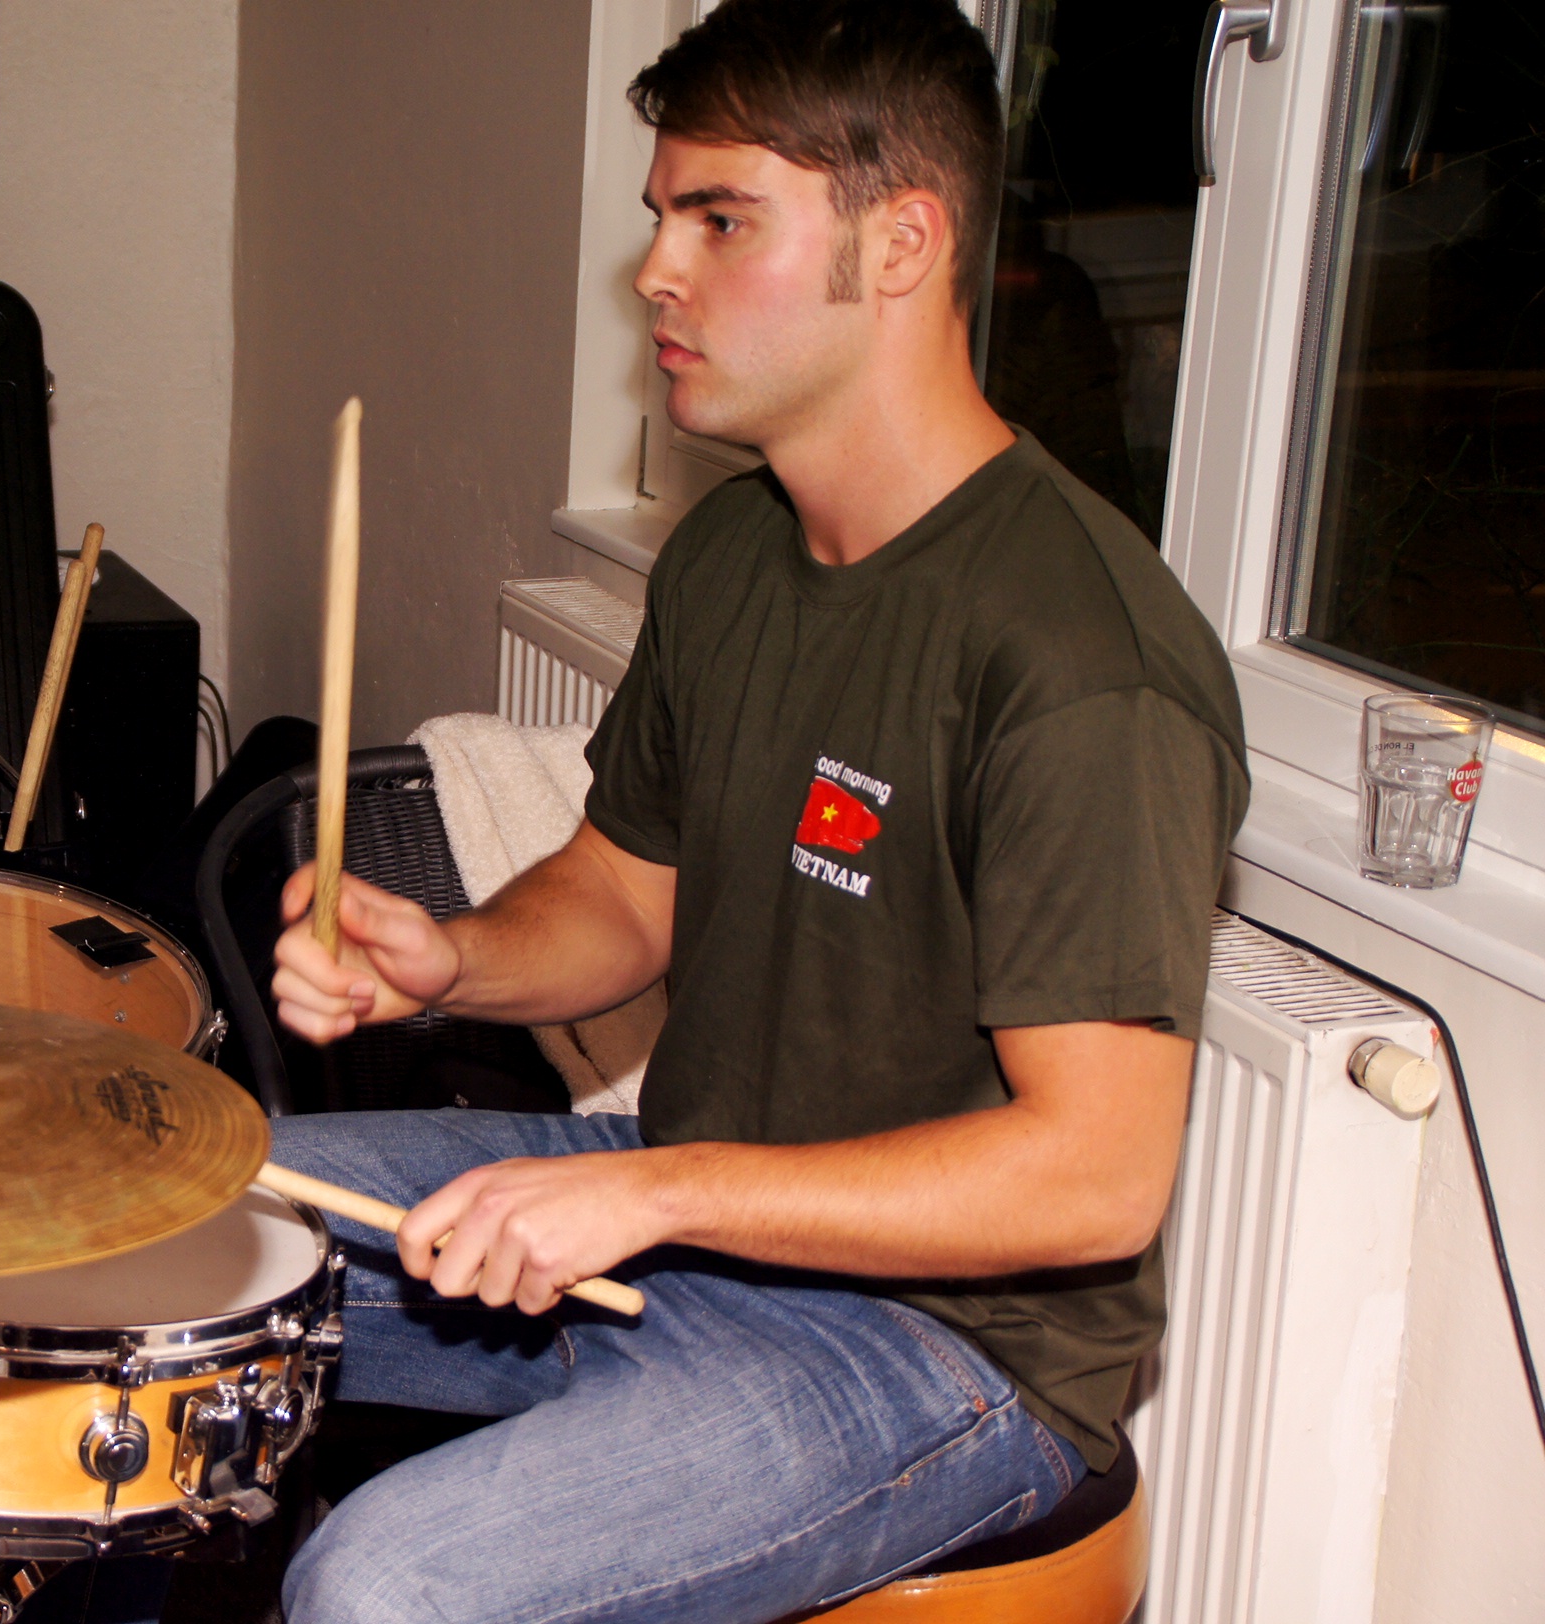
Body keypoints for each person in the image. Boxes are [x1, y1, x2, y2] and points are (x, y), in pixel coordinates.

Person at [263, 2, 1249, 1621]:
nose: (657, 270)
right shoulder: (734, 552)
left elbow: (1093, 1179)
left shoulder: (1084, 662)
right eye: (663, 216)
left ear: (903, 244)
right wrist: (447, 960)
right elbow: (622, 893)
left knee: (384, 1589)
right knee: (169, 1230)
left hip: (948, 1349)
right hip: (686, 1214)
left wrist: (657, 1191)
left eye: (721, 220)